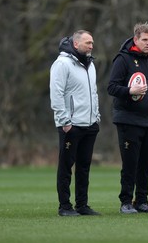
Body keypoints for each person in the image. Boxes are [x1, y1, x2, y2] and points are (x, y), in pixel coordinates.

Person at [108, 22, 148, 214]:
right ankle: (126, 202)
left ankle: (141, 201)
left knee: (145, 164)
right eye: (145, 39)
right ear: (136, 39)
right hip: (129, 120)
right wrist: (130, 91)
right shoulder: (123, 59)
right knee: (130, 163)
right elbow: (111, 87)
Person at [50, 30, 101, 216]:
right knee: (66, 166)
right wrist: (65, 120)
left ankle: (82, 205)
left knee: (84, 167)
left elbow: (93, 93)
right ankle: (64, 206)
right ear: (76, 44)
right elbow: (56, 94)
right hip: (71, 125)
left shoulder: (91, 64)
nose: (91, 46)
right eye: (88, 42)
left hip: (90, 124)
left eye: (92, 42)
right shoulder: (62, 64)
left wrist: (96, 116)